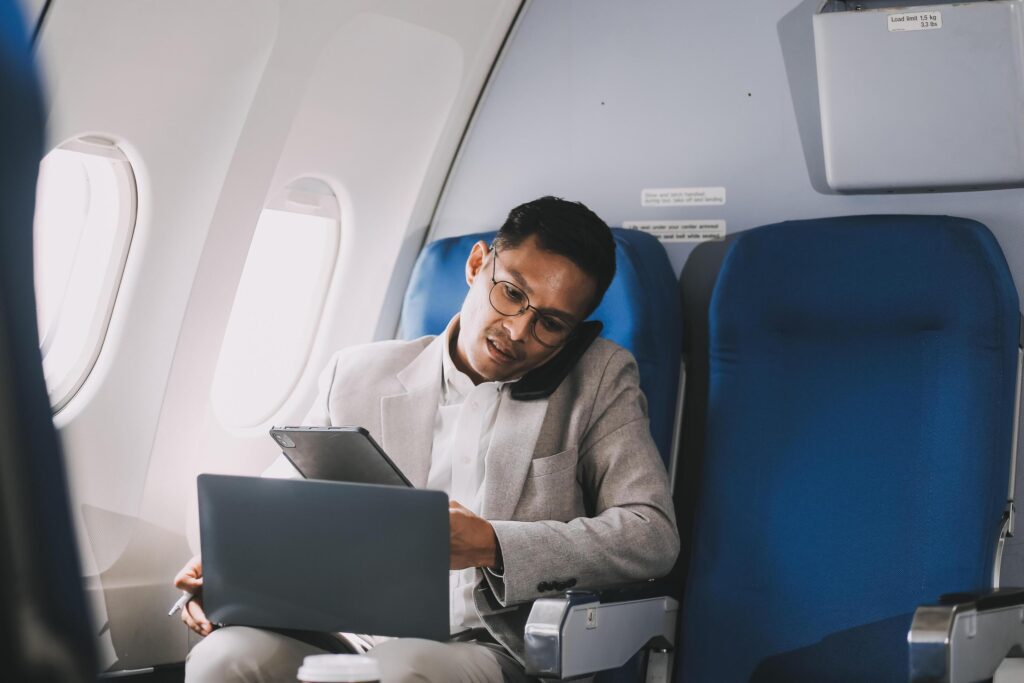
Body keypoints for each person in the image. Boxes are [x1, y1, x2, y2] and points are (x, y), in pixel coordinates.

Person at [175, 196, 679, 682]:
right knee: (225, 659)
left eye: (550, 323)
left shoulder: (598, 381)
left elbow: (650, 535)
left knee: (404, 671)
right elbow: (284, 507)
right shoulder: (357, 374)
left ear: (574, 333)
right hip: (350, 633)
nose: (519, 330)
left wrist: (493, 544)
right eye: (511, 293)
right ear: (478, 264)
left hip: (492, 647)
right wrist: (230, 574)